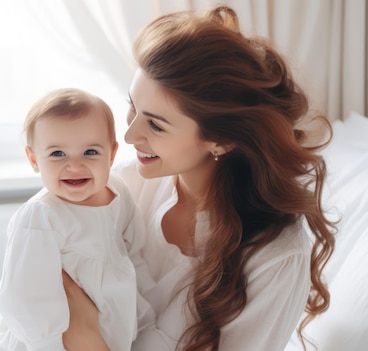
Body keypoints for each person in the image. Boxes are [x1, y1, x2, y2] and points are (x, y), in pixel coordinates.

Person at [62, 5, 337, 351]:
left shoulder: (273, 255)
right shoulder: (128, 185)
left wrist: (87, 338)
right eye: (132, 106)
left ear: (221, 139)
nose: (130, 136)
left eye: (156, 124)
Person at [0, 88, 155, 351]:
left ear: (112, 154)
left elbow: (135, 249)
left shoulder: (118, 191)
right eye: (57, 154)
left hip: (111, 323)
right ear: (34, 160)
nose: (74, 166)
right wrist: (47, 344)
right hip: (56, 336)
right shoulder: (41, 216)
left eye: (90, 152)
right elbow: (26, 297)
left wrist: (144, 313)